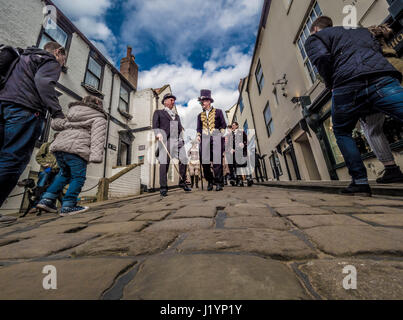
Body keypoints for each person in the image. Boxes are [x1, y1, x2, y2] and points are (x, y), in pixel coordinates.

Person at [305, 16, 403, 196]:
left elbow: (322, 57)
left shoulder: (315, 38)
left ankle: (360, 182)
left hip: (347, 83)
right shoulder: (360, 31)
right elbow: (376, 50)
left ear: (316, 29)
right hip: (381, 77)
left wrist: (330, 83)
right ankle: (390, 170)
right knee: (379, 124)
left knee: (342, 131)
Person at [0, 41, 66, 223]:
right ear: (58, 52)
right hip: (24, 110)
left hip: (3, 105)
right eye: (63, 59)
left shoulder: (23, 58)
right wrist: (57, 112)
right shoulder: (50, 60)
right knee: (13, 158)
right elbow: (43, 82)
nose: (62, 64)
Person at [37, 96, 107, 216]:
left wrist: (59, 115)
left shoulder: (72, 113)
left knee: (64, 174)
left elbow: (56, 125)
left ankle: (47, 200)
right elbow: (97, 138)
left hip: (59, 148)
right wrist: (95, 156)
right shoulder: (99, 118)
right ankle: (68, 205)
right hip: (76, 149)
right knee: (78, 177)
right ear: (97, 104)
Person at [358, 24, 403, 184]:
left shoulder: (367, 49)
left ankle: (391, 169)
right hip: (395, 68)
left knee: (371, 129)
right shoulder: (391, 50)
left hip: (379, 81)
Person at [153, 93, 191, 197]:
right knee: (164, 163)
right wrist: (158, 134)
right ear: (165, 101)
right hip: (166, 140)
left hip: (178, 140)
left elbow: (179, 129)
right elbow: (155, 126)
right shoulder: (158, 112)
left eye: (174, 100)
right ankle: (163, 187)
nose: (173, 101)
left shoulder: (177, 116)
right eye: (171, 99)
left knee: (184, 159)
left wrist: (182, 139)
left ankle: (182, 182)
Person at [196, 89, 227, 191]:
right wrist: (198, 135)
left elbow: (223, 125)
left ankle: (218, 182)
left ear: (209, 101)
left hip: (216, 138)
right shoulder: (199, 115)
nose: (202, 103)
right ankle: (210, 181)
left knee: (217, 162)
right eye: (201, 102)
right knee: (205, 162)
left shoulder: (218, 112)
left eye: (203, 101)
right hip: (205, 140)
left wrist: (221, 134)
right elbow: (198, 128)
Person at [231, 122, 248, 187]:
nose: (233, 126)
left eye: (234, 125)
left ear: (237, 126)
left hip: (242, 151)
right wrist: (231, 149)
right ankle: (240, 179)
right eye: (232, 125)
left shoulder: (241, 132)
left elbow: (246, 140)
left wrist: (243, 144)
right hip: (235, 152)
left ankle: (248, 178)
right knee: (237, 166)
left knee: (243, 165)